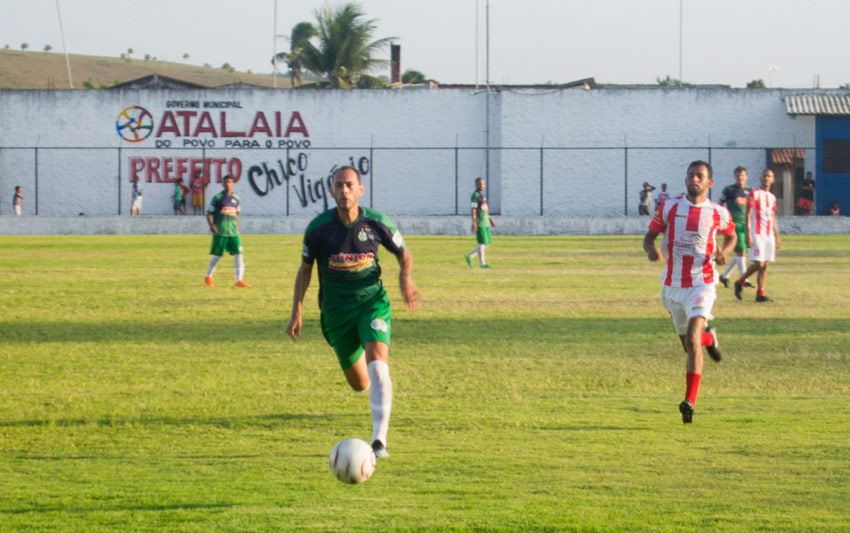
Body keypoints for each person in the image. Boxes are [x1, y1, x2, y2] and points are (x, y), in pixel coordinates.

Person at [285, 166, 419, 459]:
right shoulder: (319, 229)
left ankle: (379, 441)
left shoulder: (376, 222)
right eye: (338, 186)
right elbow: (305, 271)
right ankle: (375, 389)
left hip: (372, 302)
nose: (344, 191)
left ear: (360, 190)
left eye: (349, 185)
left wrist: (404, 277)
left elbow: (403, 253)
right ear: (331, 192)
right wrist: (297, 311)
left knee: (378, 362)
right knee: (360, 383)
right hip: (335, 312)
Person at [643, 160, 737, 424]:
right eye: (690, 175)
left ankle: (689, 402)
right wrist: (651, 250)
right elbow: (649, 237)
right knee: (690, 346)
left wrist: (724, 253)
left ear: (710, 182)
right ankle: (711, 339)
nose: (694, 179)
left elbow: (732, 237)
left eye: (700, 176)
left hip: (702, 282)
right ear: (685, 180)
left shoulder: (718, 212)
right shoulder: (670, 207)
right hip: (672, 286)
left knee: (693, 337)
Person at [735, 169, 781, 302]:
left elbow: (772, 218)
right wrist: (748, 234)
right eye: (765, 176)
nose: (767, 178)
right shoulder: (753, 194)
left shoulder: (772, 197)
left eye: (769, 176)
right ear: (760, 179)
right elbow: (748, 215)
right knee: (759, 264)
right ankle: (740, 281)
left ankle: (760, 294)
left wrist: (776, 236)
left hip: (768, 235)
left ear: (773, 180)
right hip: (757, 234)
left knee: (765, 265)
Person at [205, 175, 251, 288]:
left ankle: (239, 280)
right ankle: (208, 276)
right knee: (217, 255)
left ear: (233, 184)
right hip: (221, 232)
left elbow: (236, 215)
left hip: (233, 232)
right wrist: (212, 225)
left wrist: (237, 229)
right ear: (222, 184)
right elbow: (209, 213)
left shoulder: (236, 199)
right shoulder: (218, 198)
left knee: (239, 254)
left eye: (229, 182)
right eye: (225, 182)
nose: (227, 184)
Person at [717, 166, 754, 288]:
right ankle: (744, 280)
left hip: (747, 226)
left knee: (742, 254)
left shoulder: (751, 191)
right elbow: (720, 205)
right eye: (738, 175)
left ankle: (724, 276)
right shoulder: (729, 190)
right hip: (734, 225)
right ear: (734, 176)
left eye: (742, 175)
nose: (740, 177)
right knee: (742, 252)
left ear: (746, 176)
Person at [465, 177, 496, 268]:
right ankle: (482, 263)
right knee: (482, 242)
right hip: (480, 222)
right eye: (479, 184)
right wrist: (474, 222)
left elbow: (485, 209)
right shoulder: (475, 196)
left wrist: (490, 220)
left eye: (483, 184)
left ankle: (470, 255)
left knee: (487, 242)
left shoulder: (483, 196)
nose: (481, 186)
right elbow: (473, 209)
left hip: (486, 221)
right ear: (476, 185)